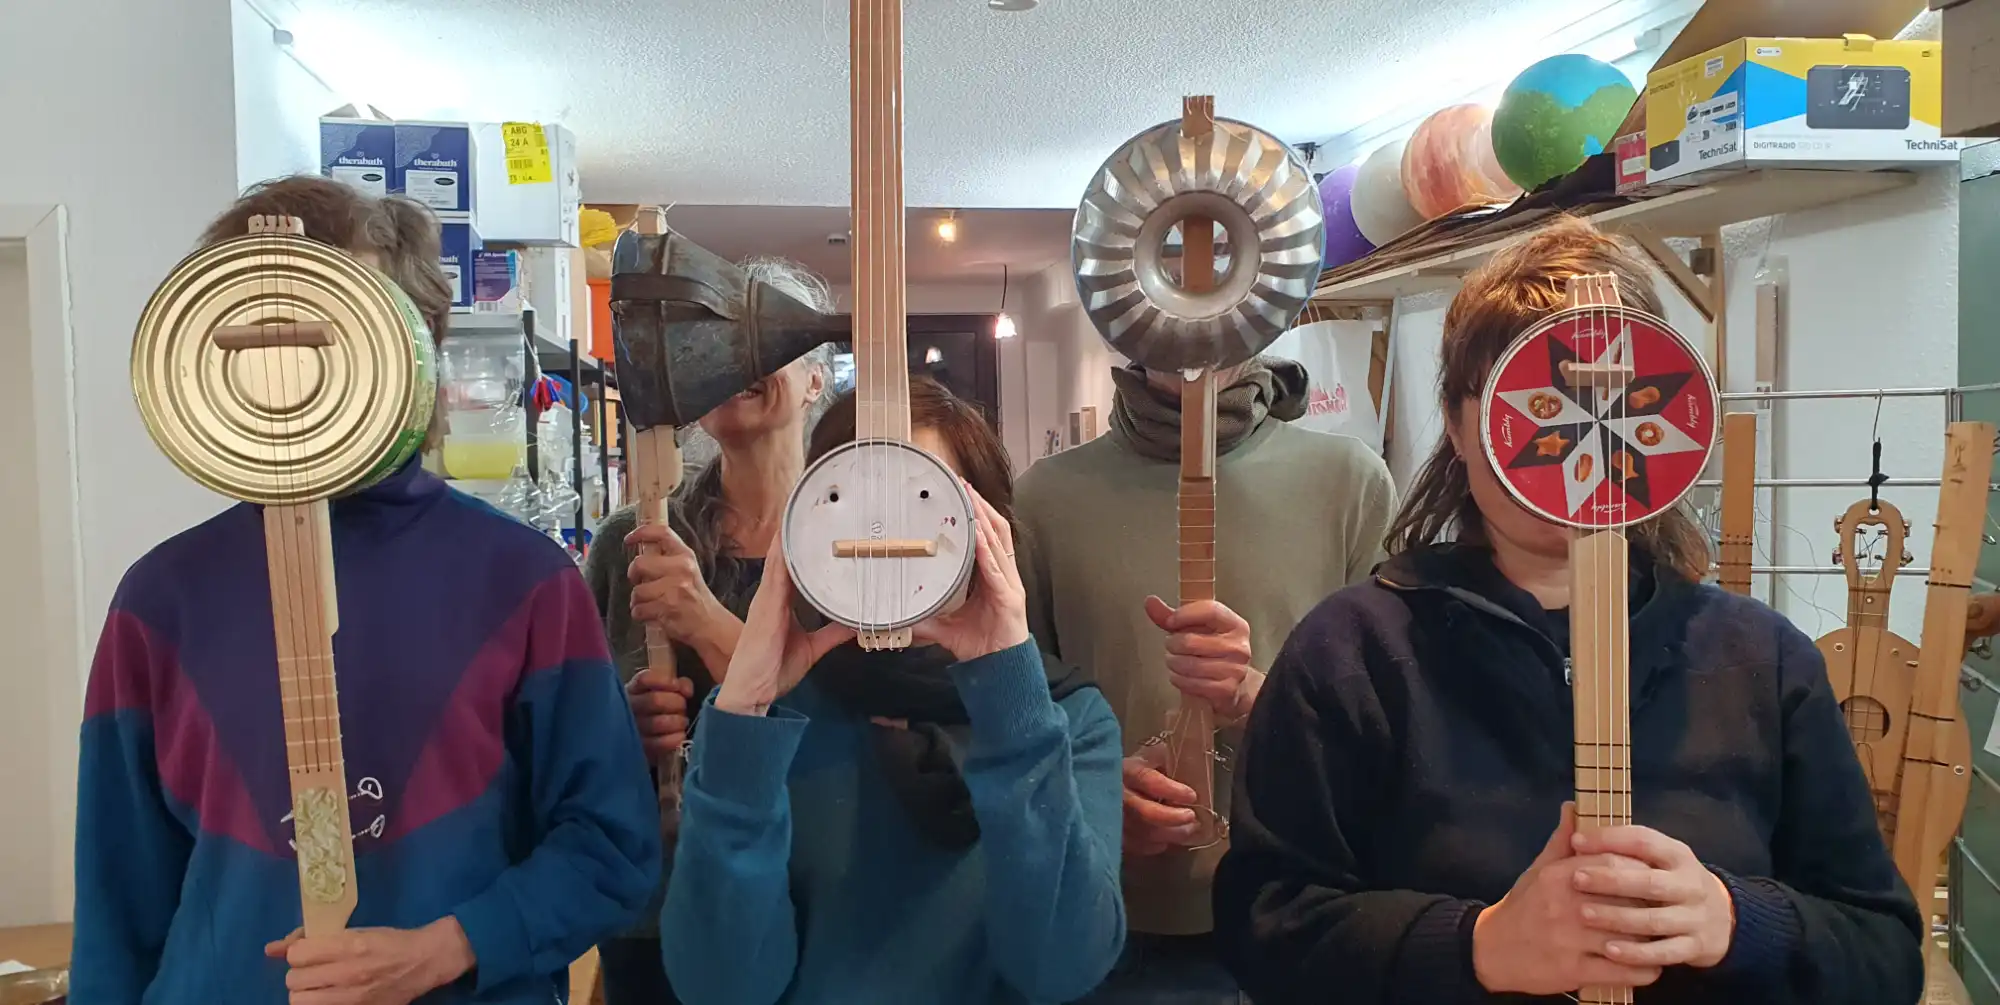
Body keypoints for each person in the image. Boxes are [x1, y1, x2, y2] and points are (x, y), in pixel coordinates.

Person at [1212, 217, 1923, 1005]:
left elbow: (1884, 951)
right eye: (1536, 397)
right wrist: (1477, 945)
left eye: (1609, 396)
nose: (1581, 431)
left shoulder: (1765, 661)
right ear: (1457, 422)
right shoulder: (1351, 656)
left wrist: (1734, 920)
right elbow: (1264, 925)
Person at [72, 176, 661, 1005]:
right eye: (270, 329)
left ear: (419, 343)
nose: (305, 363)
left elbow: (612, 845)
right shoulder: (159, 601)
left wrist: (449, 946)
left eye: (343, 323)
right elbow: (115, 910)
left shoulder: (523, 581)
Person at [648, 377, 1129, 1004]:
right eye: (850, 505)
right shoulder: (773, 724)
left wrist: (1010, 694)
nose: (885, 544)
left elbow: (1063, 968)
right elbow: (719, 988)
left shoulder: (1065, 719)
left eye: (923, 499)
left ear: (988, 531)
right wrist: (743, 706)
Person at [1012, 352, 1396, 999]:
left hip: (1314, 911)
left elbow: (1394, 727)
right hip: (1120, 928)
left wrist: (1264, 698)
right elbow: (1020, 721)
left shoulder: (1349, 484)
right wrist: (1094, 798)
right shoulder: (1044, 500)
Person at [583, 259, 835, 1005]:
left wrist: (709, 623)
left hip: (826, 894)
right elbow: (573, 744)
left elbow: (860, 730)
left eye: (765, 336)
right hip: (664, 909)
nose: (736, 359)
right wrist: (624, 732)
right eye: (715, 342)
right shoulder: (635, 542)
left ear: (816, 381)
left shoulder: (856, 544)